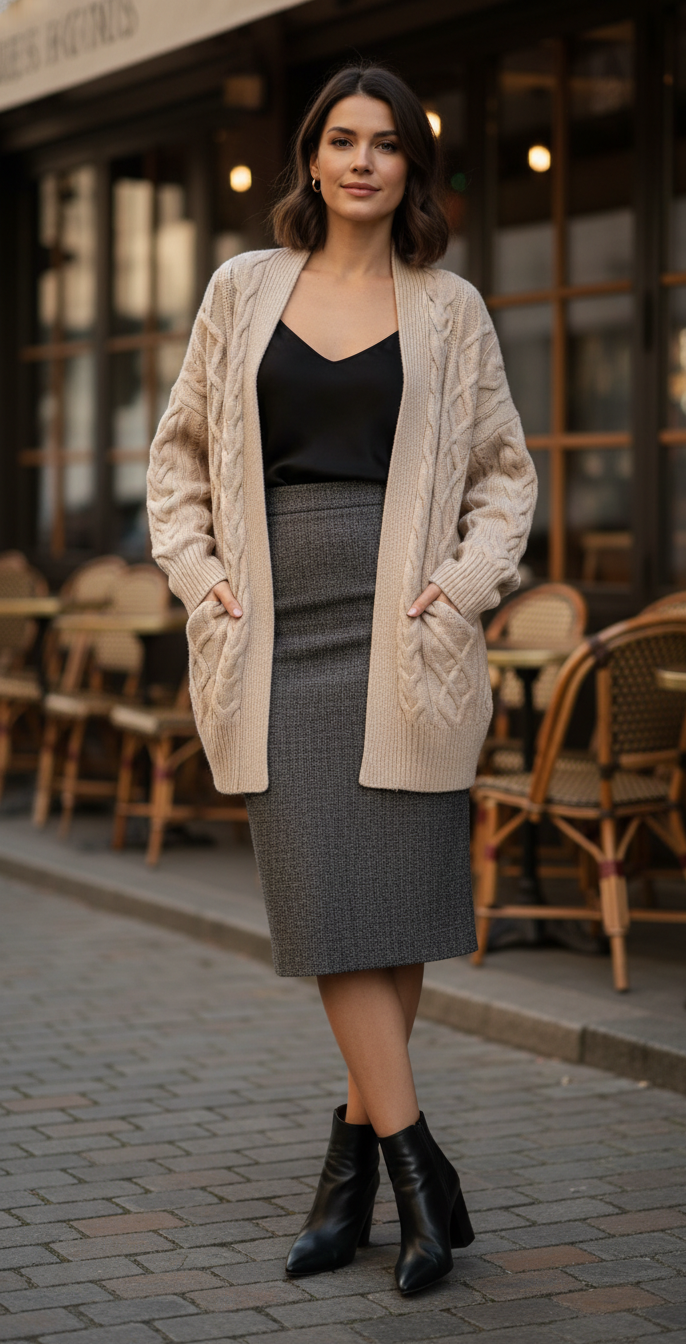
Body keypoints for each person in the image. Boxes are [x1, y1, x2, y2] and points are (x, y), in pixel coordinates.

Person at [147, 61, 536, 1295]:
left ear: (413, 166)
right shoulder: (239, 290)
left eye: (390, 143)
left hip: (404, 630)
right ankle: (422, 1168)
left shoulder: (450, 306)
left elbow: (504, 477)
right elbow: (179, 462)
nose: (365, 160)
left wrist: (463, 585)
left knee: (392, 905)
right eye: (343, 139)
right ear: (310, 157)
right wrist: (204, 578)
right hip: (275, 631)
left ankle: (352, 1177)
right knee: (328, 909)